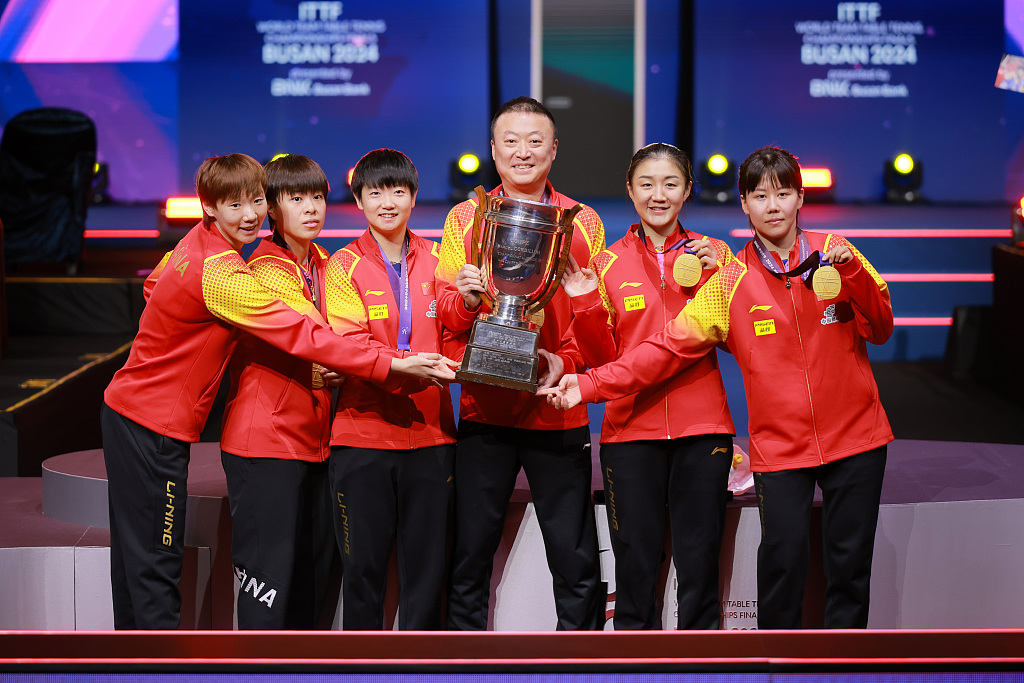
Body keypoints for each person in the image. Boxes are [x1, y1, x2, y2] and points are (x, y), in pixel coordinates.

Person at [543, 145, 894, 629]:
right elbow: (665, 350)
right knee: (782, 568)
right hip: (781, 448)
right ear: (743, 204)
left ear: (800, 197)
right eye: (760, 196)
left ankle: (843, 667)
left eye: (783, 194)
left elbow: (881, 327)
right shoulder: (729, 280)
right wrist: (588, 384)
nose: (773, 206)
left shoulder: (836, 250)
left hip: (857, 437)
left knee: (851, 570)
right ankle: (777, 665)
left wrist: (850, 272)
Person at [101, 153, 454, 630]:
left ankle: (132, 660)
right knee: (156, 565)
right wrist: (389, 364)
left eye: (255, 201)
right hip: (163, 422)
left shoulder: (234, 249)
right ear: (209, 208)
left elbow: (156, 285)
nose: (250, 214)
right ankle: (160, 664)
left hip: (188, 419)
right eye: (236, 205)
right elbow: (303, 335)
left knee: (144, 561)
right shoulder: (228, 273)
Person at [435, 96, 607, 630]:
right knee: (469, 553)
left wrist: (564, 362)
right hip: (485, 408)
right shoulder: (465, 218)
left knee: (575, 557)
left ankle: (579, 660)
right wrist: (467, 300)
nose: (523, 152)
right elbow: (445, 315)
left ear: (554, 150)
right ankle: (465, 662)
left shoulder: (583, 221)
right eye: (511, 141)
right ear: (493, 150)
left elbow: (591, 314)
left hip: (555, 409)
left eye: (535, 141)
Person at [562, 142, 735, 630]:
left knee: (700, 563)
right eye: (646, 184)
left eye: (670, 184)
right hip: (630, 431)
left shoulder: (716, 257)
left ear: (688, 190)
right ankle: (633, 663)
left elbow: (735, 342)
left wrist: (718, 275)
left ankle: (701, 664)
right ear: (629, 189)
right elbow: (602, 359)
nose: (658, 195)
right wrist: (585, 303)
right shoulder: (606, 264)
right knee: (635, 568)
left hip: (702, 429)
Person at [325, 149, 458, 630]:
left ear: (414, 197)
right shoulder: (342, 265)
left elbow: (457, 329)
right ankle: (361, 664)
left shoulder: (441, 259)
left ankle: (422, 664)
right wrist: (407, 364)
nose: (387, 202)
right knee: (363, 573)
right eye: (375, 192)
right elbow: (349, 345)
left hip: (432, 436)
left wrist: (470, 304)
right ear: (359, 199)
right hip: (362, 436)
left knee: (426, 573)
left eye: (398, 191)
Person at [218, 154, 338, 629]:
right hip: (265, 441)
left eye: (318, 197)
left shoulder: (324, 262)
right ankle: (255, 665)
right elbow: (318, 339)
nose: (311, 208)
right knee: (269, 580)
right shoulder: (266, 267)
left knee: (311, 578)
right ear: (270, 208)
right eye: (296, 198)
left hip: (316, 441)